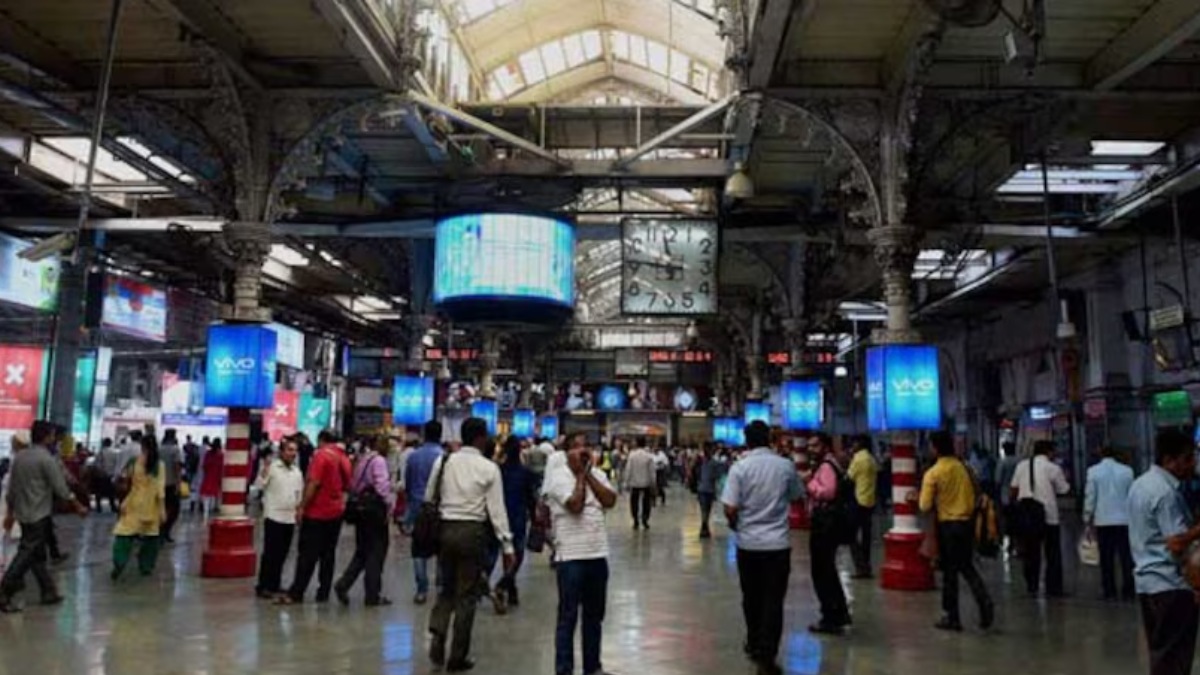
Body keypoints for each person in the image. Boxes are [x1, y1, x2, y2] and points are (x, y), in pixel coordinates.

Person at [426, 417, 515, 673]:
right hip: (472, 532)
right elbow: (496, 511)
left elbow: (429, 496)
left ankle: (438, 631)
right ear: (480, 438)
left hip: (445, 531)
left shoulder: (444, 461)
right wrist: (507, 546)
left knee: (446, 588)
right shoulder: (489, 468)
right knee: (466, 596)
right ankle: (457, 657)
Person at [722, 421, 803, 675]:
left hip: (748, 545)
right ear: (769, 438)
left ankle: (754, 642)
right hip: (778, 545)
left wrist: (736, 525)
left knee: (751, 597)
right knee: (774, 600)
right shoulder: (785, 466)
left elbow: (730, 507)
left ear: (747, 441)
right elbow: (796, 496)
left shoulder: (740, 468)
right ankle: (768, 654)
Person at [544, 432, 618, 675]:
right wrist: (579, 476)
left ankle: (592, 667)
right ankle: (564, 669)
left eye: (586, 446)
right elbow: (575, 505)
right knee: (568, 617)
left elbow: (610, 500)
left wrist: (587, 474)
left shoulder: (599, 475)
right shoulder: (557, 478)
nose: (583, 451)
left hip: (597, 554)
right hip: (570, 558)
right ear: (566, 453)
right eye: (576, 447)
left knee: (594, 616)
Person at [1129, 429, 1200, 675]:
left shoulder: (1140, 484)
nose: (1192, 465)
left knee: (1162, 654)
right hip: (1170, 586)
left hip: (1147, 585)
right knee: (1175, 660)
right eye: (1187, 459)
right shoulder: (1166, 493)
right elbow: (1176, 544)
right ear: (1169, 460)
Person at [0, 421, 88, 613]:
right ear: (47, 437)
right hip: (38, 513)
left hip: (23, 513)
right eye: (52, 435)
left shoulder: (20, 457)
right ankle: (5, 589)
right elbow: (61, 488)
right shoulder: (46, 459)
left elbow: (12, 490)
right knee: (26, 553)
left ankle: (48, 591)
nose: (54, 439)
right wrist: (78, 505)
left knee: (37, 555)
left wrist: (10, 513)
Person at [917, 431, 994, 632]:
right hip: (967, 524)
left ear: (935, 448)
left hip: (947, 527)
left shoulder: (933, 473)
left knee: (950, 573)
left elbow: (924, 505)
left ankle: (952, 617)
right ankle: (984, 602)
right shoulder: (964, 467)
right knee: (967, 567)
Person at [281, 430, 351, 604]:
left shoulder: (321, 456)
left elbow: (314, 483)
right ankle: (323, 593)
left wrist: (302, 507)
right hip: (336, 512)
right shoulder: (344, 457)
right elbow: (348, 485)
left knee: (307, 554)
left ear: (321, 440)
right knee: (328, 555)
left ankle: (297, 593)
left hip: (317, 513)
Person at [335, 435, 393, 607]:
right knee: (376, 552)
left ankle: (343, 584)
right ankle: (372, 595)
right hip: (375, 513)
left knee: (362, 552)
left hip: (361, 511)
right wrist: (389, 506)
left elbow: (354, 485)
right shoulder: (379, 461)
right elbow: (382, 488)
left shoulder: (363, 459)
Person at [803, 433, 852, 634]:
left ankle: (831, 616)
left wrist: (810, 484)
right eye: (809, 446)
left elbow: (828, 492)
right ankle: (838, 613)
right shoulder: (831, 464)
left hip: (825, 525)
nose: (811, 450)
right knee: (827, 570)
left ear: (825, 446)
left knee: (822, 570)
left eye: (815, 445)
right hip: (829, 523)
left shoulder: (826, 466)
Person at [1010, 440, 1071, 597]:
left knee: (1031, 552)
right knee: (1052, 553)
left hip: (1027, 515)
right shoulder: (1053, 468)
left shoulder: (1022, 466)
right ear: (1049, 452)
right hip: (1049, 515)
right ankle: (1053, 587)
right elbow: (1064, 489)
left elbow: (1014, 488)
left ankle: (1032, 585)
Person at [111, 435, 166, 580]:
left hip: (134, 502)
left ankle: (119, 561)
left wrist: (123, 501)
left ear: (142, 446)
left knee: (124, 533)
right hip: (151, 505)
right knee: (151, 537)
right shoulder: (159, 465)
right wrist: (162, 509)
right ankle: (146, 566)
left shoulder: (134, 462)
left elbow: (127, 482)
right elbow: (160, 490)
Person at [1084, 445, 1135, 601]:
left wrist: (1087, 517)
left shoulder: (1093, 471)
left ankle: (1109, 590)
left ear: (1101, 454)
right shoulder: (1128, 471)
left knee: (1106, 558)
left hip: (1103, 520)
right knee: (1126, 557)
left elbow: (1090, 496)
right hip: (1125, 520)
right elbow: (1133, 495)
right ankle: (1129, 590)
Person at [255, 439, 303, 599]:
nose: (293, 453)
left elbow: (299, 494)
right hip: (273, 516)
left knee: (282, 554)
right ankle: (264, 586)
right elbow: (259, 485)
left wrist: (299, 510)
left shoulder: (297, 472)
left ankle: (275, 584)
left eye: (294, 450)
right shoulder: (272, 468)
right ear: (282, 452)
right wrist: (263, 471)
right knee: (270, 553)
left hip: (289, 518)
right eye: (289, 450)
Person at [405, 420, 445, 605]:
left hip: (418, 509)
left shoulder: (413, 456)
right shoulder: (444, 457)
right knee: (441, 549)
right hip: (438, 510)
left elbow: (408, 483)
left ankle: (422, 590)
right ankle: (440, 586)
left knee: (418, 550)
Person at [495, 435, 536, 607]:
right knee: (518, 554)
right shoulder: (525, 473)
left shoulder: (498, 471)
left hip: (499, 516)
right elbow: (531, 497)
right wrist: (534, 516)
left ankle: (509, 587)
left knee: (505, 552)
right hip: (518, 517)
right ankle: (506, 583)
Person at [846, 434, 878, 578]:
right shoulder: (871, 458)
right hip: (870, 501)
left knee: (851, 535)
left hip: (858, 501)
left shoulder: (858, 459)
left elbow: (849, 477)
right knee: (866, 537)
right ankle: (866, 565)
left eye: (854, 443)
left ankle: (861, 567)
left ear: (859, 444)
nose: (852, 446)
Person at [696, 444, 726, 539]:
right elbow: (719, 474)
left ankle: (704, 527)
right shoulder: (714, 463)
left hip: (701, 488)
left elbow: (696, 473)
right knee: (707, 509)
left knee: (703, 509)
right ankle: (704, 527)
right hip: (709, 489)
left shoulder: (700, 462)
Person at [159, 429, 183, 542]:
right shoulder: (175, 449)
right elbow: (177, 467)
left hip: (158, 484)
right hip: (171, 484)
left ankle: (159, 531)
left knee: (160, 508)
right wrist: (178, 484)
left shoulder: (159, 449)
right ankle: (165, 531)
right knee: (174, 510)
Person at [625, 442, 656, 529]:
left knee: (634, 502)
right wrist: (653, 482)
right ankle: (645, 520)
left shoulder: (632, 456)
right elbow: (652, 471)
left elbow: (628, 469)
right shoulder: (649, 456)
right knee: (646, 502)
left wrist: (627, 482)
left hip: (634, 482)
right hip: (646, 482)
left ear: (636, 444)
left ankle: (635, 520)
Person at [199, 438, 224, 517]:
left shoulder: (208, 454)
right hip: (216, 478)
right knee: (214, 496)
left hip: (207, 477)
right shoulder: (220, 455)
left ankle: (206, 513)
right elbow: (221, 469)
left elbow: (204, 466)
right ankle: (212, 512)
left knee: (206, 497)